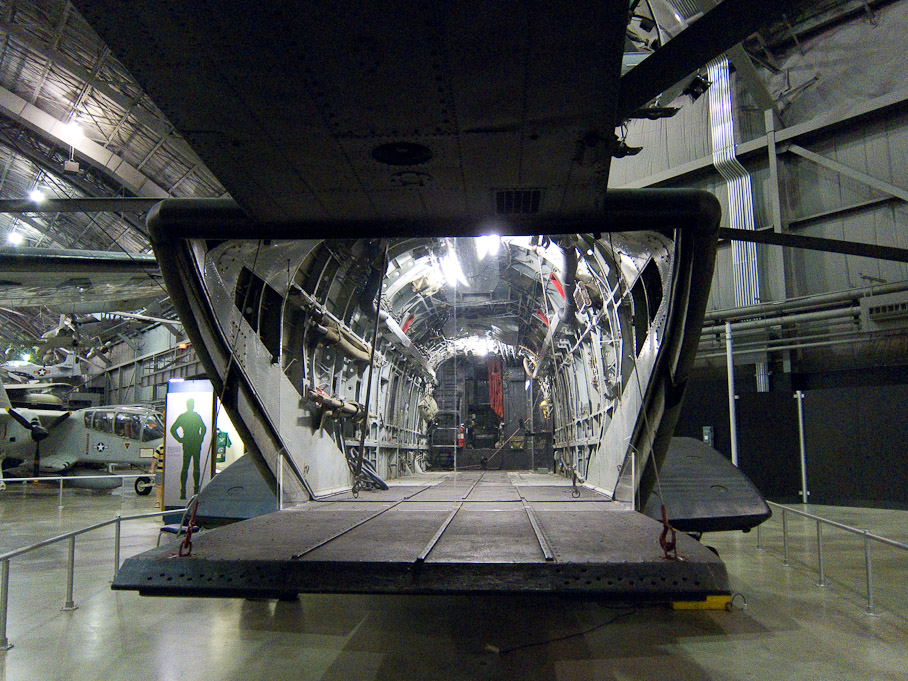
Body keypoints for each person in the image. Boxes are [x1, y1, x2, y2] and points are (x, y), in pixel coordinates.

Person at [170, 398, 207, 499]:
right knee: (194, 466)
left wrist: (180, 439)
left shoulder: (184, 416)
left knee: (187, 467)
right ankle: (194, 491)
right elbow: (203, 428)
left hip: (188, 443)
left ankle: (184, 492)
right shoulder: (196, 416)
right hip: (195, 443)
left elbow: (173, 429)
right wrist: (200, 438)